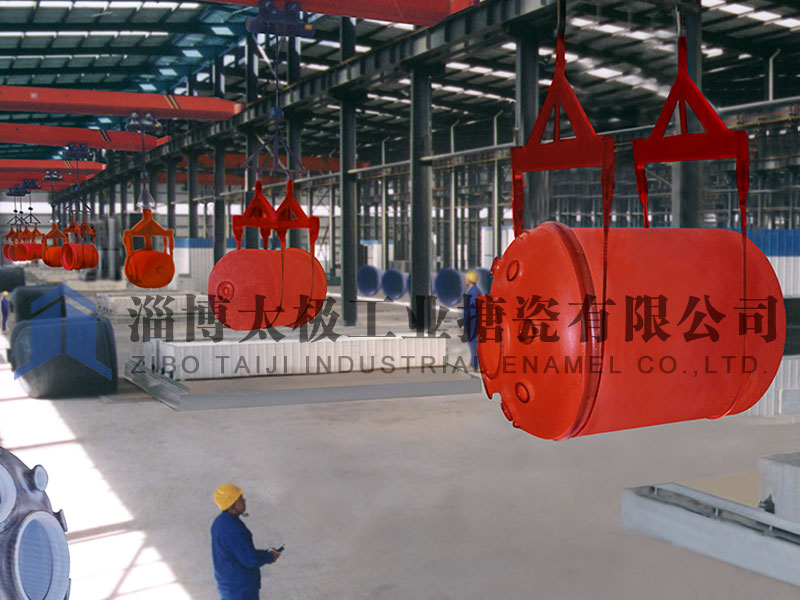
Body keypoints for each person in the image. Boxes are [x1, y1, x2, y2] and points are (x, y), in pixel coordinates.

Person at [211, 484, 282, 600]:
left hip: (228, 585)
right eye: (240, 500)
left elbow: (241, 551)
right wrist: (270, 556)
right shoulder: (235, 529)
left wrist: (266, 553)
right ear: (231, 506)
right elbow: (249, 559)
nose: (244, 501)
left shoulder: (219, 523)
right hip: (241, 590)